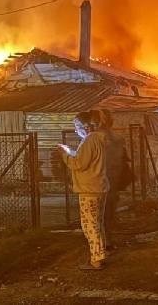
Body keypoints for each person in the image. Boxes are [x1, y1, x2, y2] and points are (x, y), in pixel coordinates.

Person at [59, 111, 110, 270]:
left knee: (89, 225)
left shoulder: (89, 140)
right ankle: (100, 253)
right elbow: (85, 160)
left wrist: (64, 155)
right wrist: (71, 152)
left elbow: (78, 164)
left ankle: (96, 259)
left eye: (77, 126)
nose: (76, 130)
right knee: (97, 223)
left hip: (89, 189)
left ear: (86, 126)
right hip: (98, 187)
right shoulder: (97, 139)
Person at [96, 109, 130, 250]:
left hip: (100, 180)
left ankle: (101, 242)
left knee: (100, 213)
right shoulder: (117, 138)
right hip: (114, 180)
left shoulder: (96, 138)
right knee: (109, 212)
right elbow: (123, 159)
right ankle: (108, 239)